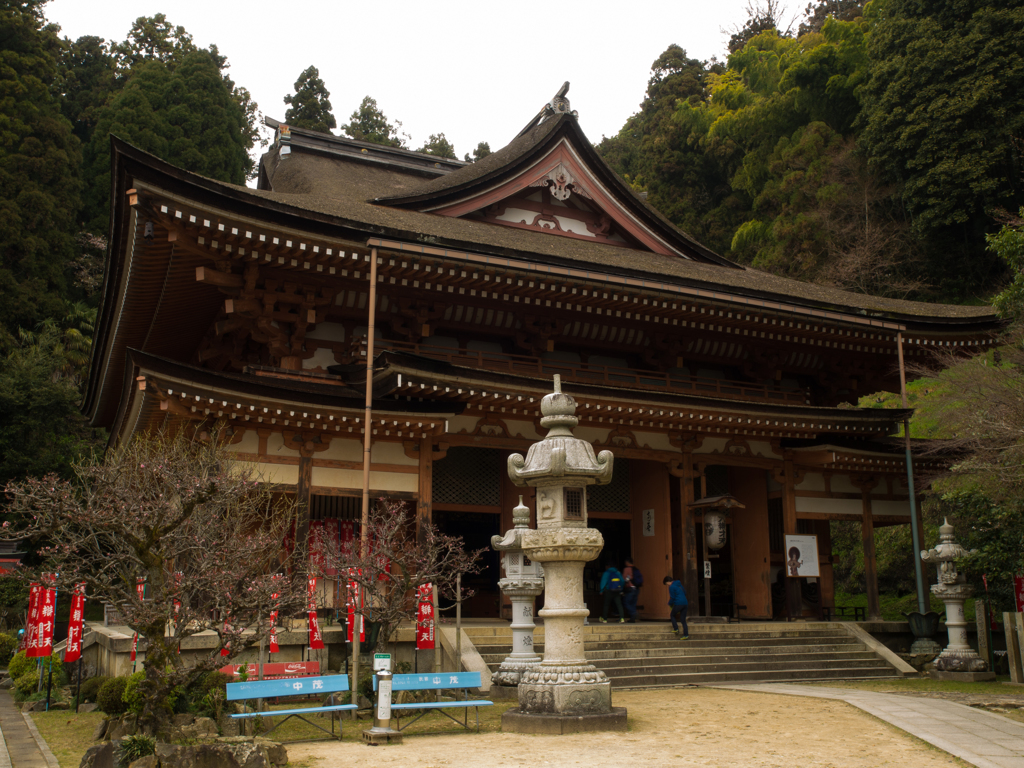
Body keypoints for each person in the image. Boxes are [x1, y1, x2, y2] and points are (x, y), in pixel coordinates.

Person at [663, 575, 689, 639]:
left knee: (672, 615)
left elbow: (673, 597)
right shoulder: (679, 584)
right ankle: (686, 635)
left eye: (667, 584)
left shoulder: (671, 587)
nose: (668, 585)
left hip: (678, 603)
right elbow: (685, 592)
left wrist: (669, 603)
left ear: (668, 581)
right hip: (685, 603)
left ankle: (676, 628)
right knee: (683, 620)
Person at [623, 558, 644, 623]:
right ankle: (632, 619)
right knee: (633, 604)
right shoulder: (636, 569)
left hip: (630, 588)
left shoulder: (627, 569)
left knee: (626, 602)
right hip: (636, 588)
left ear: (627, 562)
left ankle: (633, 613)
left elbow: (625, 578)